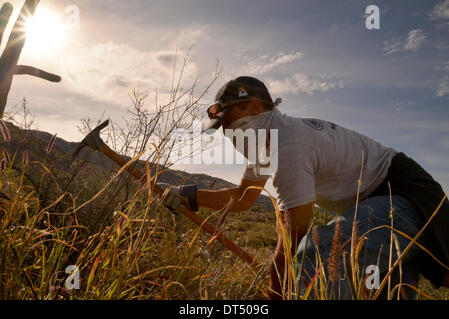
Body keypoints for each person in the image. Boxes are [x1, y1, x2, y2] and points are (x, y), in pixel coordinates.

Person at [158, 76, 449, 299]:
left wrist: (277, 287)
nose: (226, 132)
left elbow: (296, 229)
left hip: (403, 197)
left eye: (229, 121)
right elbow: (243, 197)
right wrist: (187, 196)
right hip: (384, 205)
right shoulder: (267, 147)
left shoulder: (288, 143)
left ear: (256, 107)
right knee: (386, 290)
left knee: (314, 262)